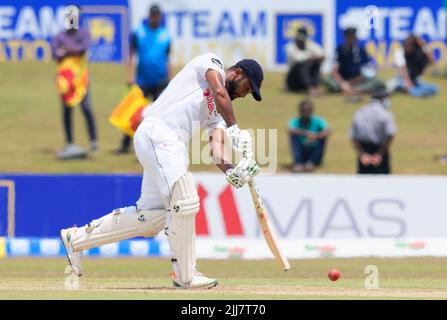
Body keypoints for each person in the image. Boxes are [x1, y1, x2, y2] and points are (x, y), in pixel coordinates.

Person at [60, 53, 264, 289]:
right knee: (186, 200)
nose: (244, 94)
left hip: (166, 145)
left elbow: (216, 151)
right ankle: (185, 275)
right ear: (237, 73)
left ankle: (75, 239)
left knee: (152, 218)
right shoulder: (212, 63)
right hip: (159, 133)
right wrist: (235, 129)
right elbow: (219, 92)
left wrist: (233, 171)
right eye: (247, 88)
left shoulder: (219, 112)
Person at [115, 4, 172, 154]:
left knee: (161, 115)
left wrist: (170, 79)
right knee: (134, 113)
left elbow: (168, 58)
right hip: (142, 80)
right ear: (149, 16)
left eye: (157, 16)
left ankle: (161, 145)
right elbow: (131, 54)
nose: (155, 18)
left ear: (160, 17)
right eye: (152, 16)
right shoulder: (139, 32)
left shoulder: (165, 34)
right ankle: (125, 144)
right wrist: (130, 75)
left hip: (160, 80)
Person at [51, 6, 98, 160]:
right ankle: (70, 142)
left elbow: (83, 49)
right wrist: (71, 50)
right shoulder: (59, 36)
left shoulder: (84, 33)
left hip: (81, 80)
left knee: (86, 108)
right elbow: (55, 53)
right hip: (65, 81)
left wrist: (66, 50)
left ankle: (93, 141)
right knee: (67, 111)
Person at [322, 27, 383, 97]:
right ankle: (351, 89)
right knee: (326, 80)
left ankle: (355, 89)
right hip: (342, 79)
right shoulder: (339, 50)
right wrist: (343, 83)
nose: (352, 39)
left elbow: (367, 71)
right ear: (345, 38)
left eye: (353, 37)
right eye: (349, 37)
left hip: (358, 80)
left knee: (379, 81)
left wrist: (351, 82)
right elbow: (334, 71)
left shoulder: (361, 50)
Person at [350, 85, 396, 174]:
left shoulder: (359, 112)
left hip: (363, 151)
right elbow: (390, 135)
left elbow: (353, 136)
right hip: (380, 149)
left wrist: (362, 154)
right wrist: (379, 154)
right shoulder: (385, 114)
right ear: (383, 98)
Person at [288, 99, 330, 172]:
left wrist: (316, 136)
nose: (306, 113)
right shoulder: (296, 121)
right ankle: (299, 163)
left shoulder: (318, 120)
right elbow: (290, 130)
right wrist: (306, 134)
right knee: (293, 137)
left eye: (308, 110)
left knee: (323, 138)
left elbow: (328, 130)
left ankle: (311, 163)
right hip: (301, 150)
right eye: (304, 110)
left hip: (314, 150)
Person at [285, 27, 325, 96]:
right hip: (293, 81)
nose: (301, 41)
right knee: (302, 65)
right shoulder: (290, 47)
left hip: (304, 81)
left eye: (302, 39)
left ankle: (315, 87)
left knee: (316, 63)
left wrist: (316, 57)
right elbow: (298, 59)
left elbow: (322, 54)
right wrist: (311, 56)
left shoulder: (310, 45)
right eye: (299, 38)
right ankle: (310, 88)